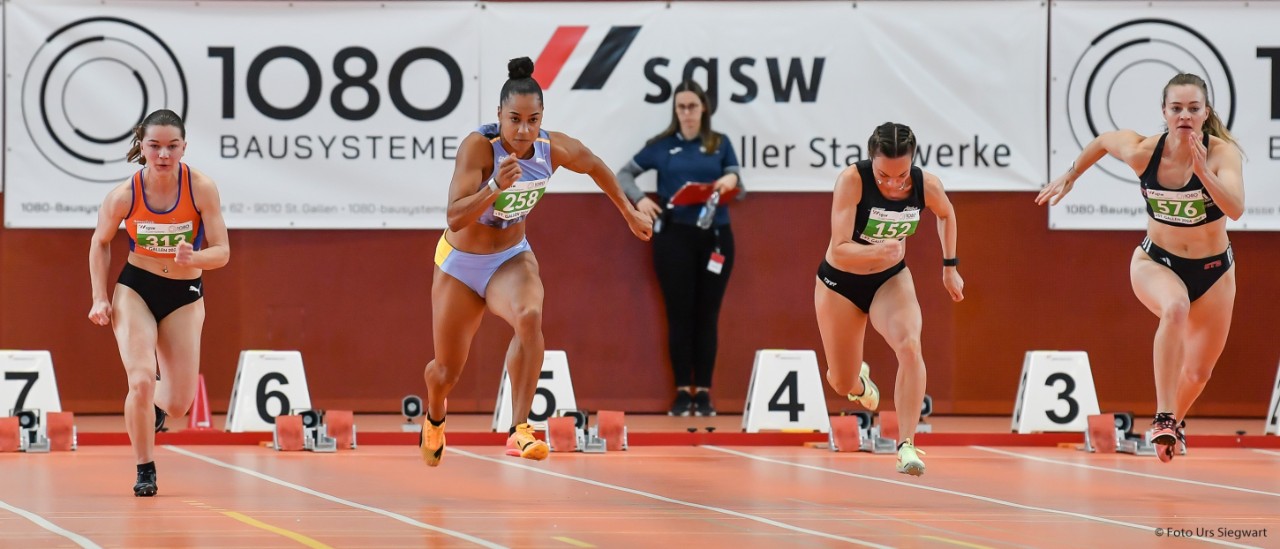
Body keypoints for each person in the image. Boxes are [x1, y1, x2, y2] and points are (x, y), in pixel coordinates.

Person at [420, 57, 652, 466]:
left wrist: (629, 212)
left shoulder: (550, 148)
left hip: (510, 259)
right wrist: (494, 186)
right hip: (460, 264)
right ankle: (435, 415)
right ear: (499, 116)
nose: (524, 130)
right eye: (515, 120)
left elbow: (595, 165)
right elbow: (455, 216)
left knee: (529, 314)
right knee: (445, 372)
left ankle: (520, 428)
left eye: (533, 119)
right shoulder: (479, 148)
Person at [1037, 73, 1244, 462]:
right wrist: (1071, 174)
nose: (1185, 115)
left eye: (1193, 109)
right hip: (1156, 262)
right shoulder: (1144, 152)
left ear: (1206, 113)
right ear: (1164, 112)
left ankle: (1172, 426)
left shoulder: (1221, 154)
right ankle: (1164, 416)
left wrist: (1203, 174)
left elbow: (1235, 207)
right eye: (1177, 108)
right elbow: (1102, 141)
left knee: (1199, 374)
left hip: (1215, 271)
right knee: (1175, 307)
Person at [87, 109, 231, 496]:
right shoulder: (124, 195)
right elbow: (100, 242)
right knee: (140, 380)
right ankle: (145, 469)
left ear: (184, 147)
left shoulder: (201, 188)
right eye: (155, 146)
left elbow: (222, 252)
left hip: (184, 295)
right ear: (142, 146)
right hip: (136, 289)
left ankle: (152, 411)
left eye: (172, 146)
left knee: (181, 404)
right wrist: (100, 298)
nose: (163, 155)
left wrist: (194, 257)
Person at [814, 122, 963, 476]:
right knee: (841, 381)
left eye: (901, 175)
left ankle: (907, 445)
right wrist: (878, 251)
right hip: (840, 283)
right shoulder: (852, 181)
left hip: (890, 280)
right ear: (870, 161)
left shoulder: (926, 185)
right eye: (884, 175)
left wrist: (949, 267)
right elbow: (840, 251)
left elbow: (946, 214)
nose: (894, 184)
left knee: (910, 346)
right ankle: (858, 382)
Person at [616, 80, 743, 417]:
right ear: (675, 111)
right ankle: (680, 394)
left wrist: (727, 182)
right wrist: (640, 199)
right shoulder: (662, 146)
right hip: (673, 237)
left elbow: (736, 180)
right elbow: (624, 174)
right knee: (679, 315)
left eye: (692, 106)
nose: (687, 113)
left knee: (708, 314)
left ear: (703, 109)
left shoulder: (720, 144)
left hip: (715, 236)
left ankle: (703, 392)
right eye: (681, 107)